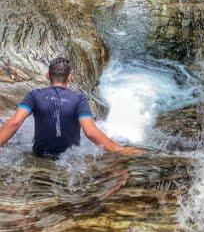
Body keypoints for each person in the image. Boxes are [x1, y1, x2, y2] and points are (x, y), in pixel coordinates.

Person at [0, 58, 142, 158]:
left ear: (48, 75)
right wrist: (119, 149)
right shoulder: (79, 99)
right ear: (69, 78)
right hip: (70, 160)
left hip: (39, 156)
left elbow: (14, 122)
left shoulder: (34, 95)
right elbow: (90, 132)